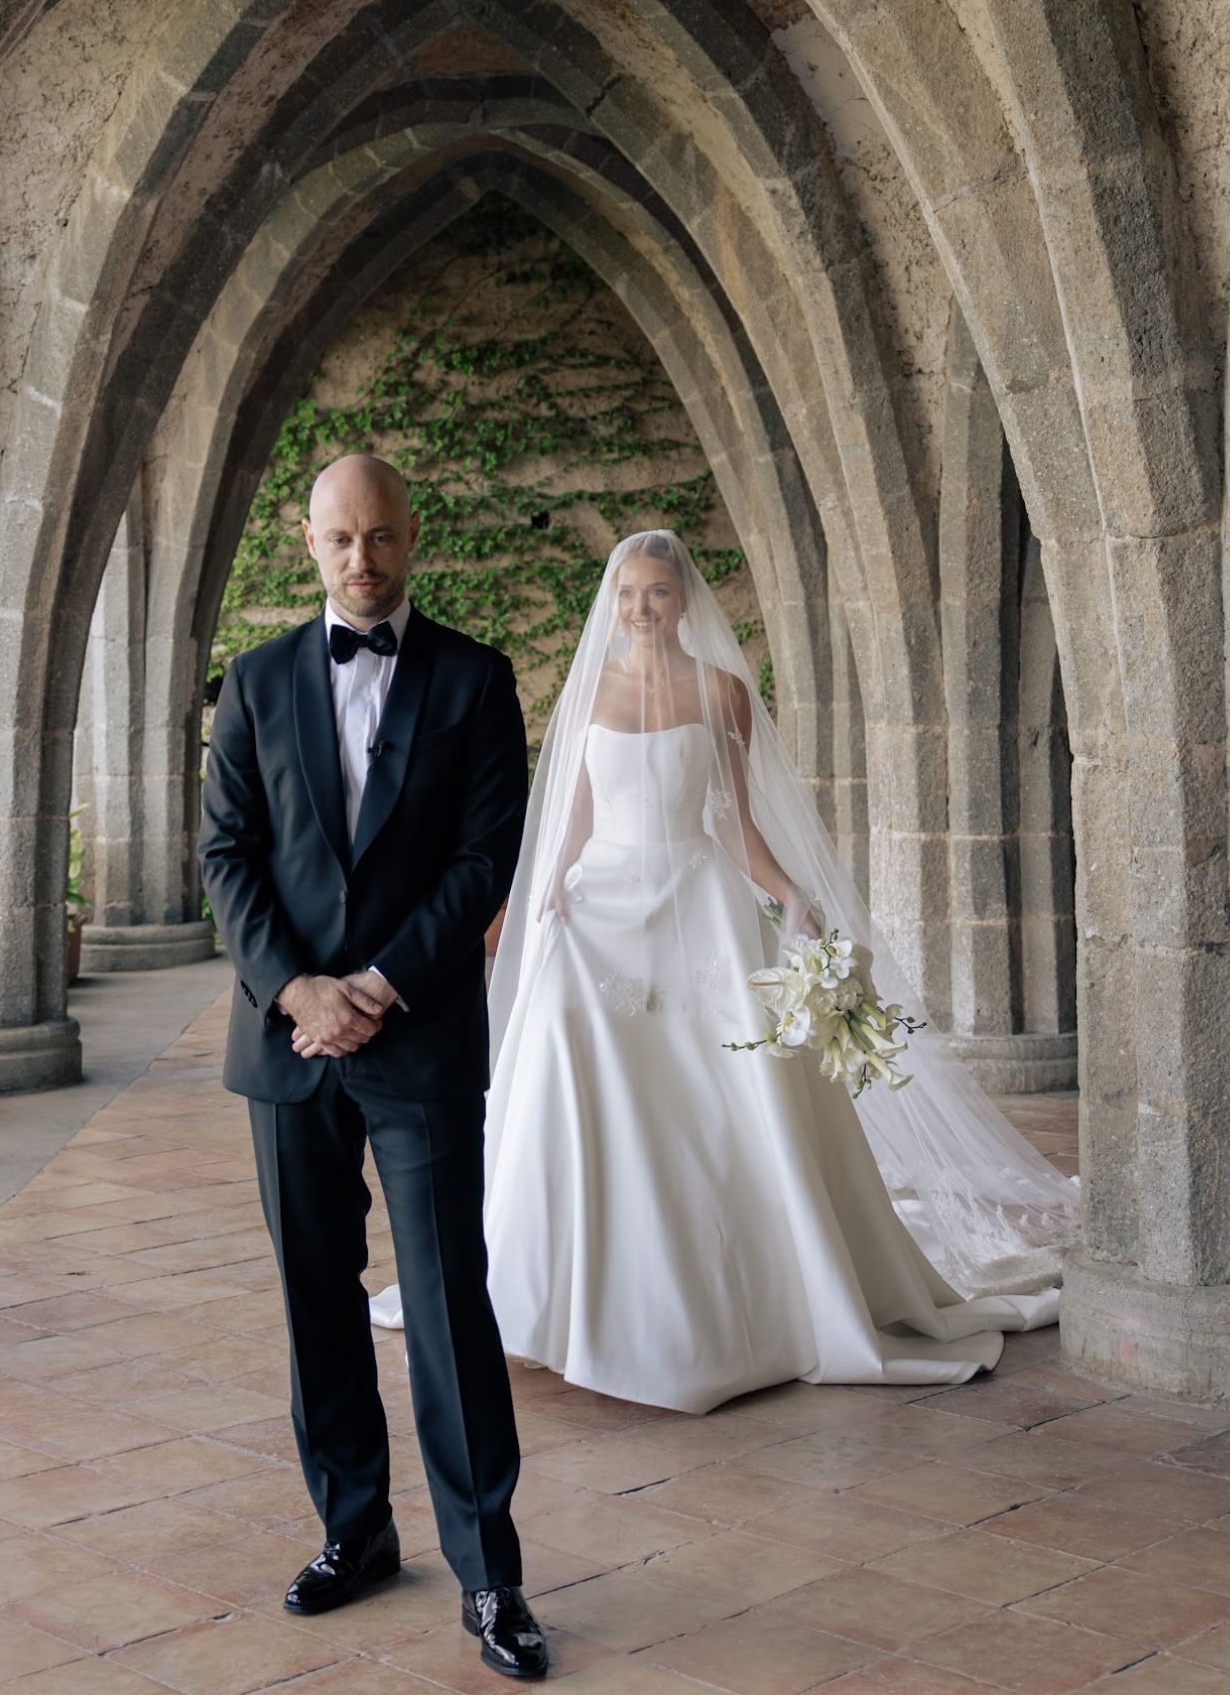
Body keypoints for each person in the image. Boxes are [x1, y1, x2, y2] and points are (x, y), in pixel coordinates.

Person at [378, 530, 1078, 1413]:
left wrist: (791, 896)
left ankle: (726, 1295)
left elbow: (734, 820)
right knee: (562, 1054)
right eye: (628, 592)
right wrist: (541, 889)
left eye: (658, 592)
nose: (641, 608)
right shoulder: (588, 690)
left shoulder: (722, 693)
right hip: (600, 909)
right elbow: (577, 811)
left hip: (695, 901)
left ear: (684, 598)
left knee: (717, 1096)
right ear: (613, 601)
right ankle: (553, 1292)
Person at [198, 454, 548, 1680]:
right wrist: (297, 987)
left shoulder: (477, 679)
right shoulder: (251, 683)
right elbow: (228, 853)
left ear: (415, 532)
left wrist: (381, 984)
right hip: (286, 1038)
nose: (363, 560)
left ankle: (489, 1573)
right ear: (310, 541)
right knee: (316, 1295)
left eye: (382, 536)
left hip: (420, 1033)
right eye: (341, 539)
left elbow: (484, 856)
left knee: (450, 1300)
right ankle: (356, 1531)